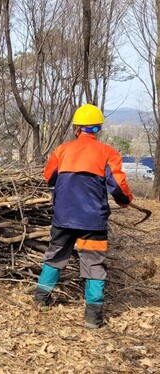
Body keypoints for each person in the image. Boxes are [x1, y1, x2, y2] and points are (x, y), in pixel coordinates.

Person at [34, 103, 133, 329]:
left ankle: (41, 301)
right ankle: (93, 317)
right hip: (93, 222)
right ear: (97, 128)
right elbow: (118, 185)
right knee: (94, 265)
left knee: (54, 257)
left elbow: (49, 177)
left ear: (77, 128)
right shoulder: (108, 153)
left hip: (63, 217)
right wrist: (125, 201)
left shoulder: (62, 150)